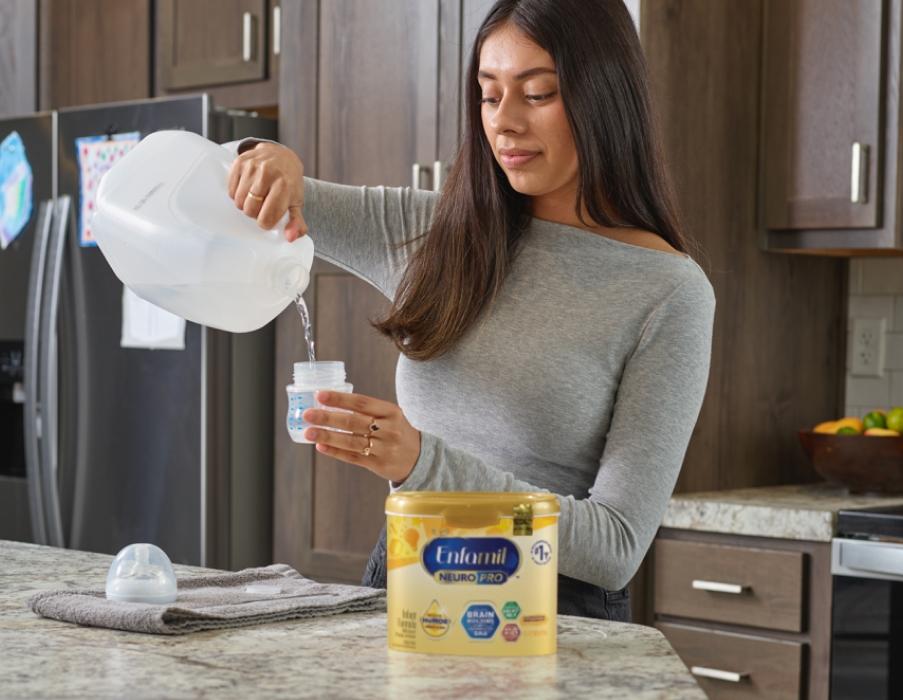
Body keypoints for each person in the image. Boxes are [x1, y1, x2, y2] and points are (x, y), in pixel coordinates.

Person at [224, 0, 715, 622]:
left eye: (536, 94)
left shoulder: (668, 292)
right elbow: (262, 192)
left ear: (605, 97)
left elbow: (615, 546)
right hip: (407, 580)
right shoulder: (434, 231)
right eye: (488, 95)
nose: (504, 122)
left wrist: (422, 464)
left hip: (547, 615)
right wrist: (269, 154)